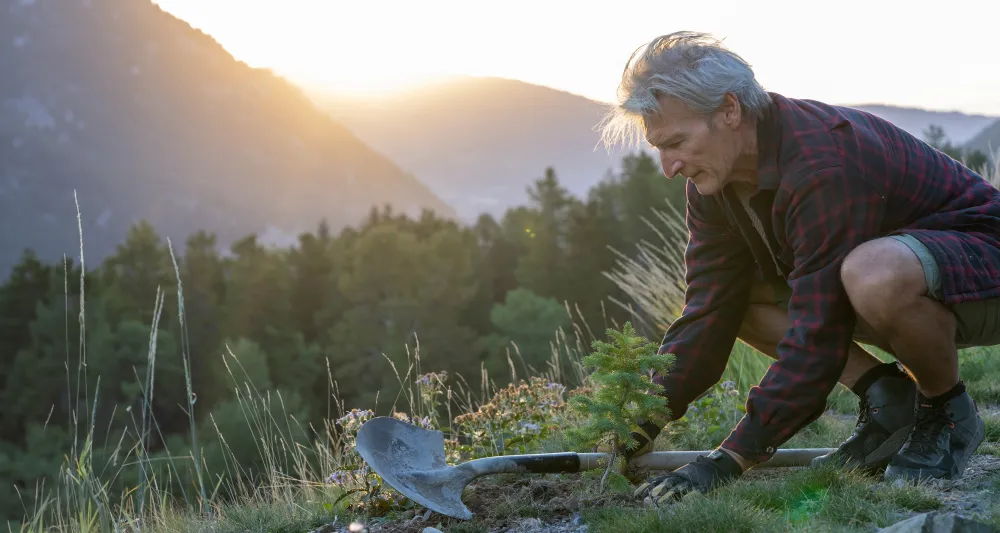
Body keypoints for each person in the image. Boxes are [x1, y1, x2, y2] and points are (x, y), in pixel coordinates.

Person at [598, 31, 998, 506]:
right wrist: (636, 425)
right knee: (738, 301)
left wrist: (730, 459)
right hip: (902, 285)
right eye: (659, 148)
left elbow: (818, 330)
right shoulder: (715, 183)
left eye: (677, 142)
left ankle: (946, 413)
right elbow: (708, 310)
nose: (669, 166)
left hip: (981, 267)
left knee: (874, 272)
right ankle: (888, 398)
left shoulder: (819, 164)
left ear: (729, 111)